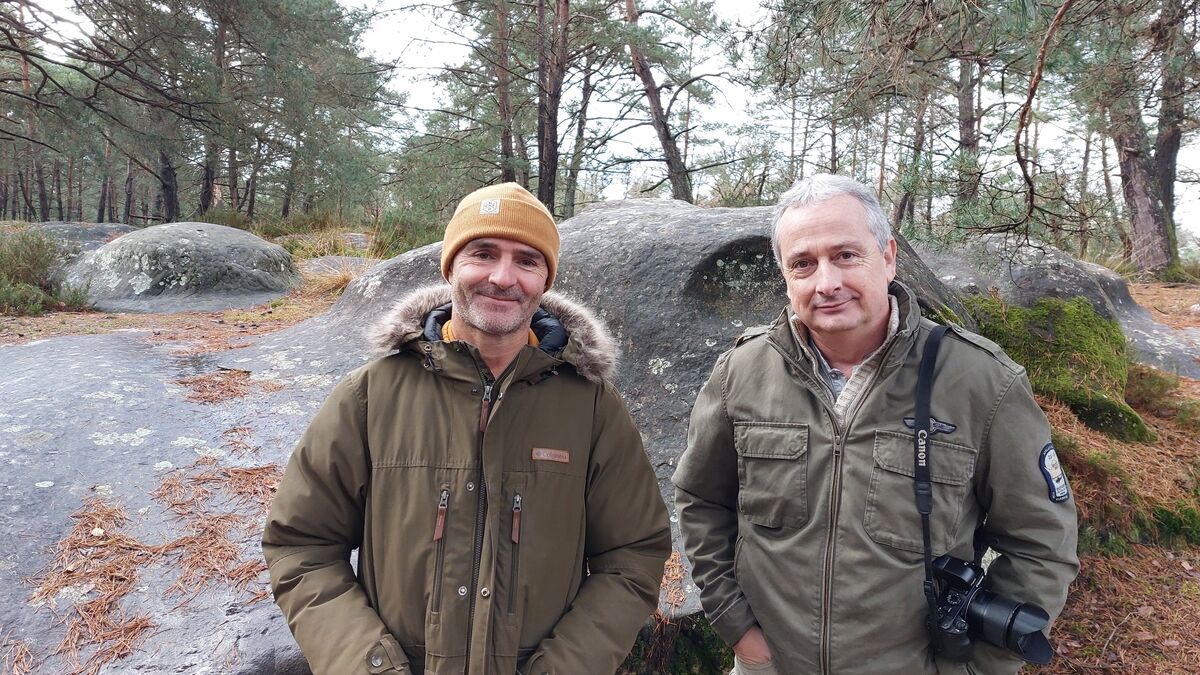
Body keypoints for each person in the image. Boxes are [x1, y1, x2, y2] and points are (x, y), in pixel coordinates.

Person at [673, 174, 1079, 675]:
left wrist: (977, 668)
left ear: (887, 257)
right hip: (769, 664)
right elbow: (702, 500)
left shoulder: (981, 381)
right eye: (804, 263)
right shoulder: (742, 371)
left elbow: (1041, 543)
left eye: (846, 255)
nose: (827, 283)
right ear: (786, 276)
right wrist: (735, 624)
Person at [263, 182, 671, 675]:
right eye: (482, 253)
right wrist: (369, 665)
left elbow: (632, 556)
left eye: (527, 260)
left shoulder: (592, 409)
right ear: (451, 265)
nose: (503, 277)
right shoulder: (369, 396)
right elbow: (301, 545)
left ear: (545, 279)